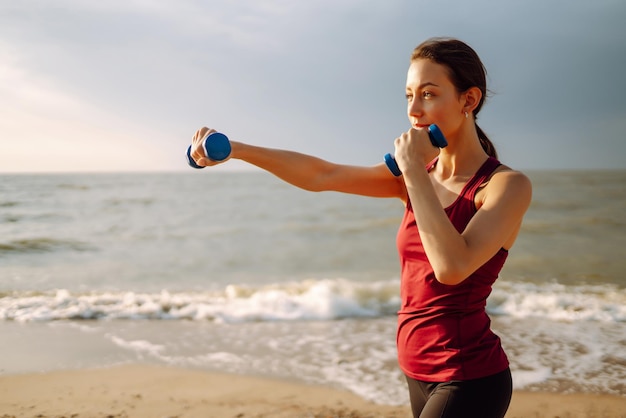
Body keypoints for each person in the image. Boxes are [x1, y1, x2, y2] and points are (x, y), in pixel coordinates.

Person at [189, 37, 532, 418]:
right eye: (408, 96)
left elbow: (452, 268)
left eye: (429, 94)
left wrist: (413, 170)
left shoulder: (505, 186)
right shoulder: (416, 178)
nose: (414, 111)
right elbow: (323, 174)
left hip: (468, 377)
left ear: (469, 100)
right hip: (416, 371)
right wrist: (237, 150)